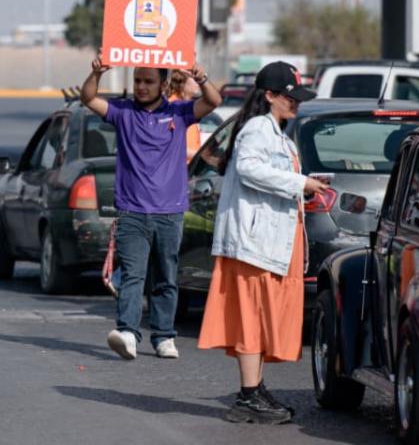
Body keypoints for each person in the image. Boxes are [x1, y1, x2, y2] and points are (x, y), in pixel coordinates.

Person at [196, 61, 329, 425]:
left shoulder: (277, 133)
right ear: (269, 96)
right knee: (252, 319)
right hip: (255, 242)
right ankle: (248, 396)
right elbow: (249, 170)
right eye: (290, 97)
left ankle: (253, 389)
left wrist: (303, 187)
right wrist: (299, 183)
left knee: (260, 318)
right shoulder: (257, 128)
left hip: (269, 242)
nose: (296, 104)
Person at [80, 60, 221, 361]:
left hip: (170, 213)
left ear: (162, 84)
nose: (141, 87)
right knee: (132, 275)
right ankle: (128, 333)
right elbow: (89, 98)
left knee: (166, 277)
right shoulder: (123, 112)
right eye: (138, 81)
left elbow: (213, 101)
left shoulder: (179, 113)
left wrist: (201, 76)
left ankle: (164, 337)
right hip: (131, 212)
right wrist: (97, 73)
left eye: (148, 82)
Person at [166, 70, 204, 161]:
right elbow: (170, 147)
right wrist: (202, 156)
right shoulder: (172, 108)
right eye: (194, 79)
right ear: (182, 83)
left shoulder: (187, 106)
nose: (198, 82)